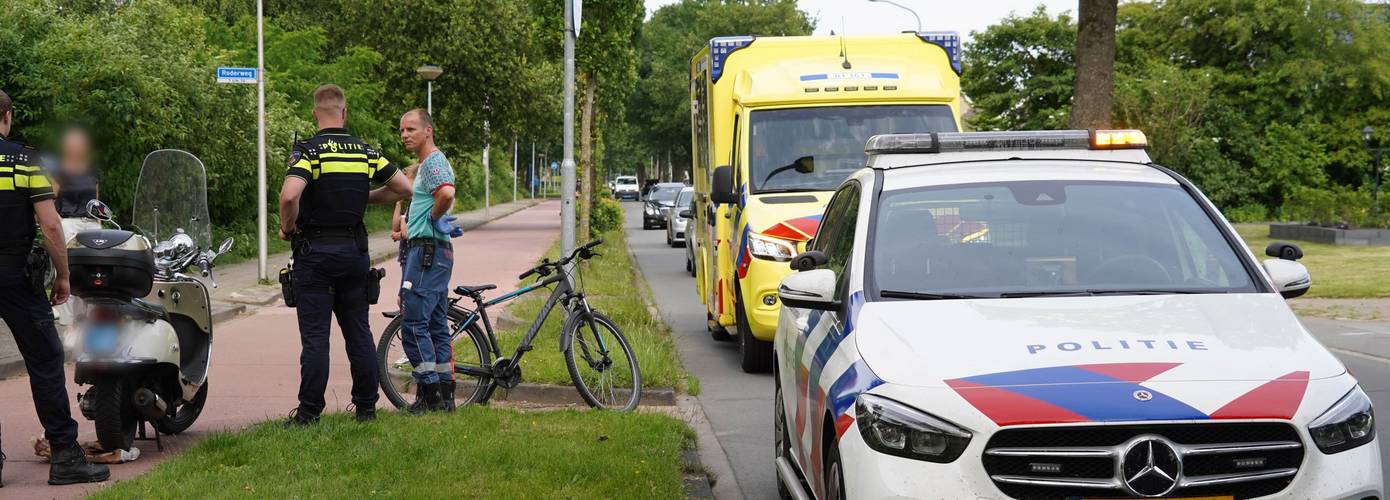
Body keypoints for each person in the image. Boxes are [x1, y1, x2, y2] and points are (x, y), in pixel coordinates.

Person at [278, 84, 411, 425]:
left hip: (315, 255)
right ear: (344, 112)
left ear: (314, 113)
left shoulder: (308, 152)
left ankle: (309, 414)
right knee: (358, 333)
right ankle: (366, 408)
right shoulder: (364, 151)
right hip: (354, 253)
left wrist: (288, 228)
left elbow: (290, 196)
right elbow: (403, 188)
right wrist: (359, 198)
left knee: (316, 339)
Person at [0, 89, 109, 485]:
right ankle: (65, 456)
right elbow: (50, 224)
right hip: (15, 274)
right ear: (7, 117)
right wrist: (63, 277)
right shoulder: (24, 160)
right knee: (46, 360)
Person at [397, 108, 462, 413]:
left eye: (411, 129)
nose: (405, 135)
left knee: (413, 324)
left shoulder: (433, 161)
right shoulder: (429, 163)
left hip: (426, 251)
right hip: (436, 253)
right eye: (402, 130)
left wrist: (434, 218)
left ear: (428, 131)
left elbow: (446, 194)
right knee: (436, 323)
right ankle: (446, 397)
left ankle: (429, 396)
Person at [50, 127, 101, 345]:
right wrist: (58, 224)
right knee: (69, 274)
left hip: (91, 226)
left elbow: (97, 201)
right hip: (68, 224)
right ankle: (70, 326)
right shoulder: (59, 170)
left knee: (94, 276)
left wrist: (100, 223)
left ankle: (88, 323)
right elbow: (50, 199)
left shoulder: (92, 169)